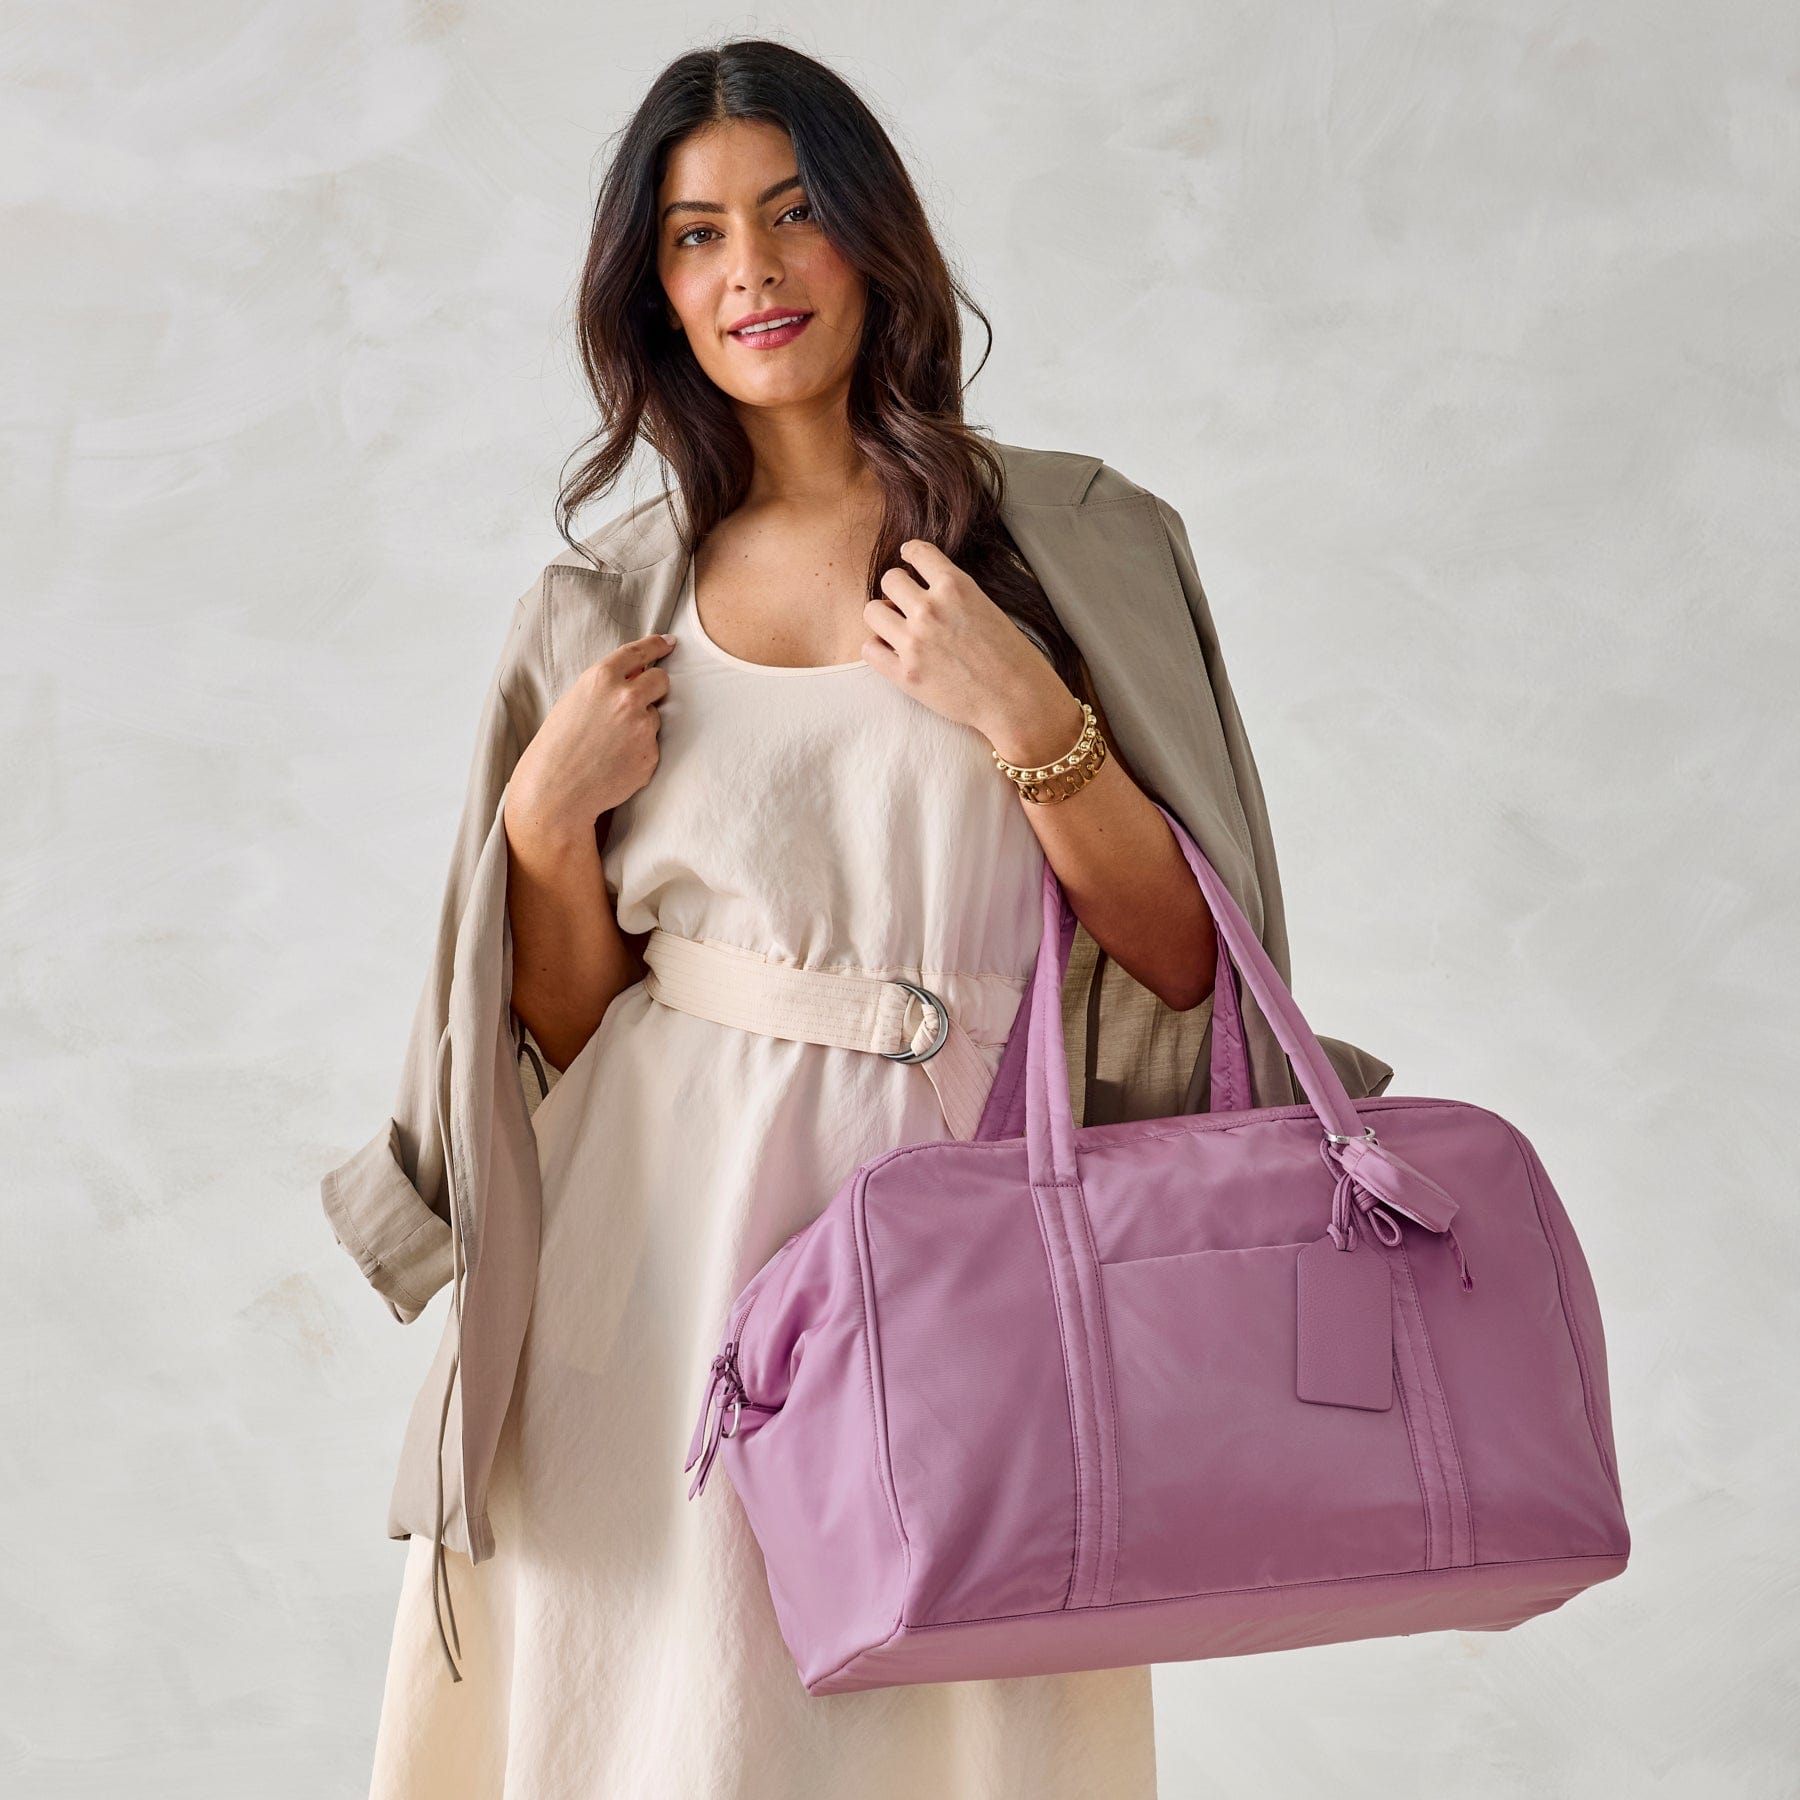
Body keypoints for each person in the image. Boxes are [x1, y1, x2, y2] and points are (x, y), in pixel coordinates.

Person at [350, 36, 1384, 1799]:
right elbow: (577, 1021)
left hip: (977, 1235)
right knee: (671, 1722)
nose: (747, 269)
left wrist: (1031, 723)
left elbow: (1191, 970)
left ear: (873, 238)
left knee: (956, 1732)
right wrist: (537, 826)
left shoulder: (1075, 549)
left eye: (793, 212)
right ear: (651, 291)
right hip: (660, 1254)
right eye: (692, 237)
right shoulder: (607, 602)